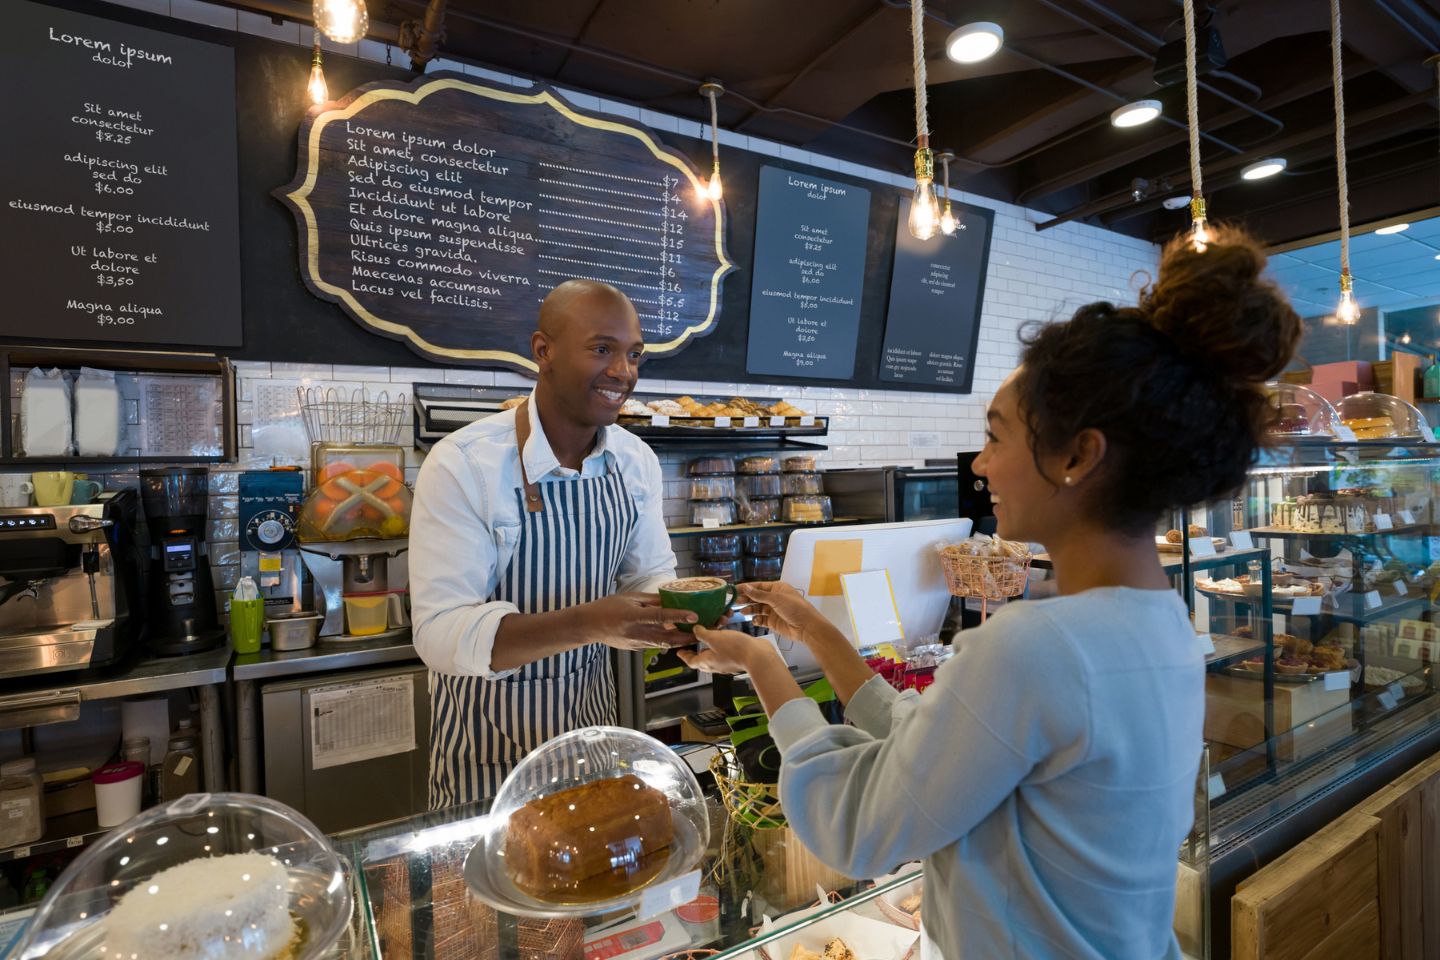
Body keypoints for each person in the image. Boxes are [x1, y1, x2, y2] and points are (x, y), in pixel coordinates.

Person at [680, 227, 1301, 959]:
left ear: (1078, 455)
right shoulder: (1159, 622)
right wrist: (819, 634)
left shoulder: (1035, 646)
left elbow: (858, 828)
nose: (982, 466)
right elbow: (941, 749)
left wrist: (762, 663)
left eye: (997, 437)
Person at [410, 279, 695, 808]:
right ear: (543, 351)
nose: (623, 372)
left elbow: (648, 574)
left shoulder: (635, 462)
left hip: (595, 742)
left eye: (634, 354)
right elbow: (440, 634)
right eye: (602, 349)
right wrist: (594, 621)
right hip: (486, 764)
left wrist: (686, 619)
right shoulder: (465, 463)